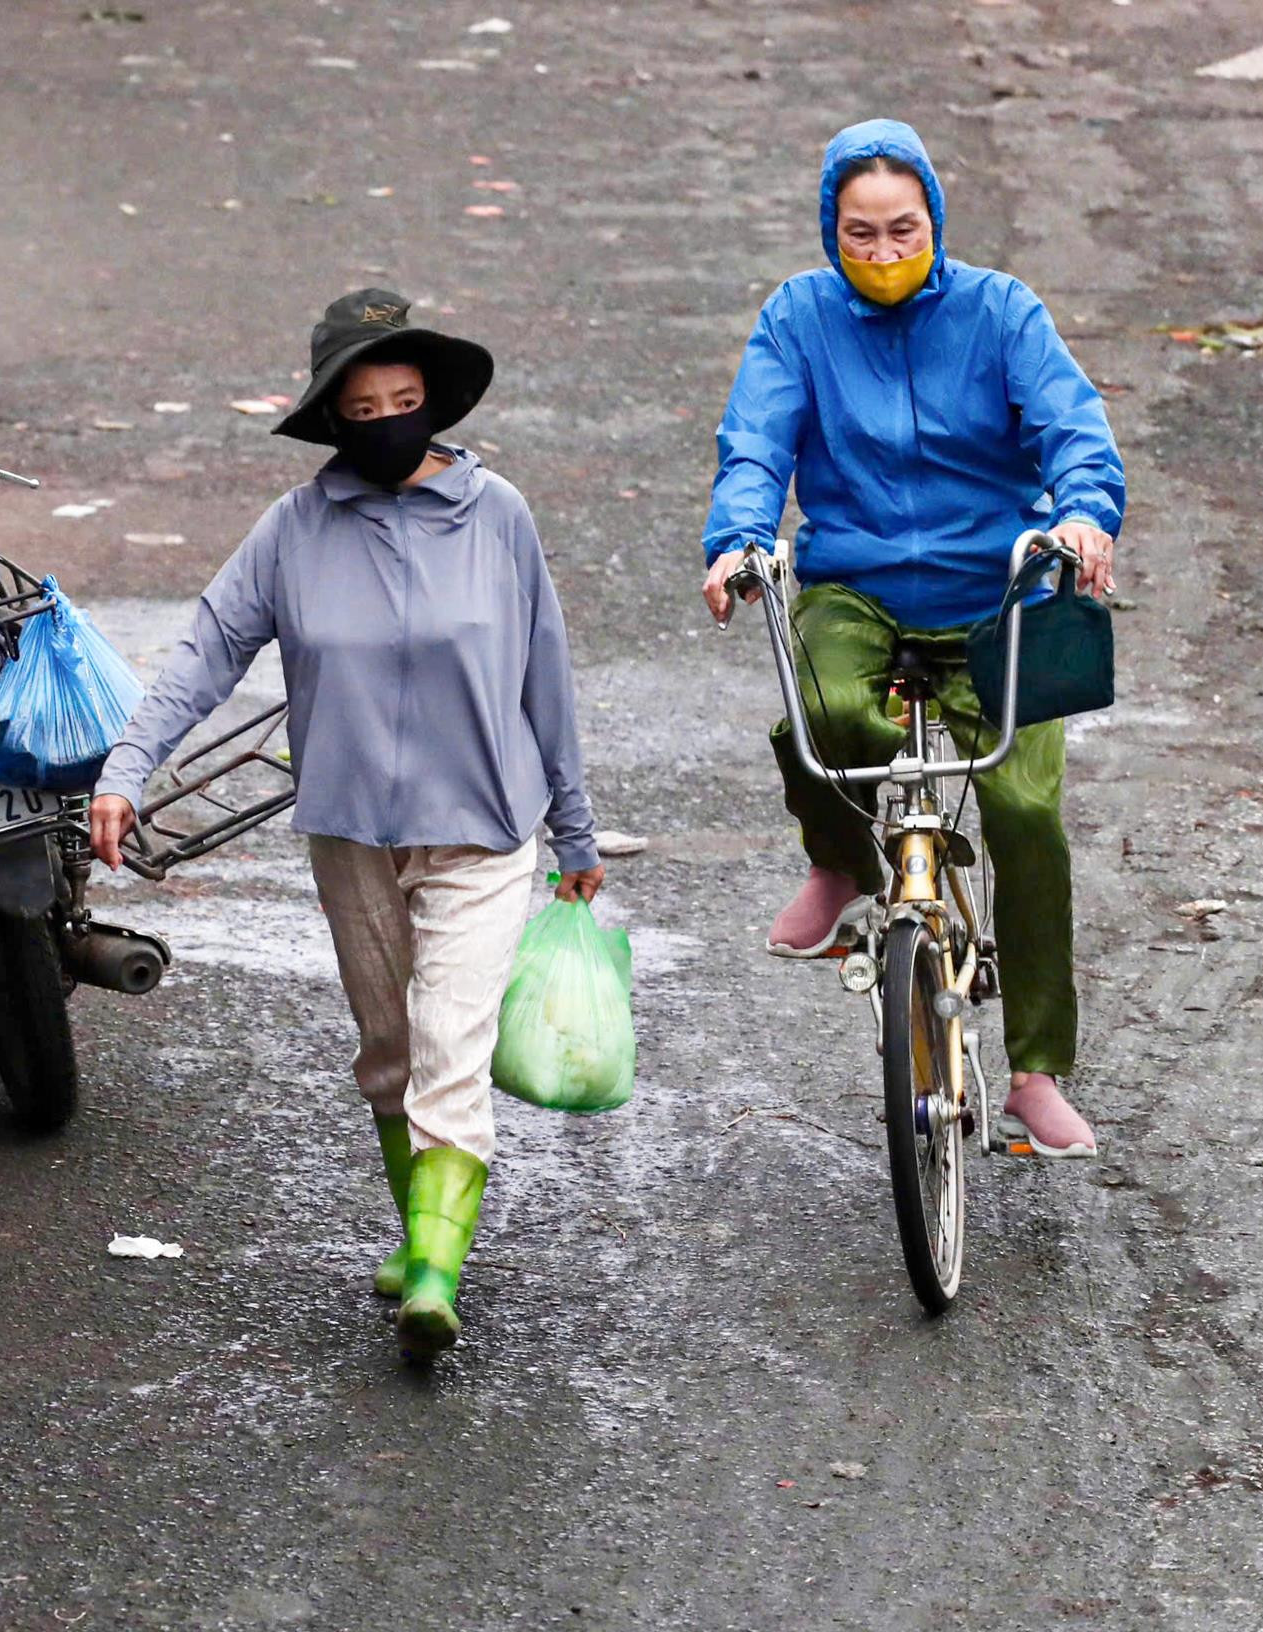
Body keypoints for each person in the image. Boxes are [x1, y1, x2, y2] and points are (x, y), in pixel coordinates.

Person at [90, 290, 604, 1362]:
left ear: (433, 404)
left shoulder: (496, 514)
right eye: (365, 406)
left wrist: (575, 832)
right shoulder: (292, 532)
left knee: (450, 1047)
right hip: (353, 833)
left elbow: (544, 672)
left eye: (406, 401)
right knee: (389, 1051)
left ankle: (432, 1273)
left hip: (484, 826)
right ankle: (420, 1227)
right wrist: (127, 770)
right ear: (334, 417)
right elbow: (204, 653)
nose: (387, 421)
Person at [699, 119, 1125, 1158]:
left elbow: (1072, 422)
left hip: (998, 590)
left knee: (1023, 809)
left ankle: (1032, 1071)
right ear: (828, 232)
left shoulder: (1000, 311)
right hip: (860, 587)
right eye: (860, 235)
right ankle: (842, 864)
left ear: (934, 219)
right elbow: (754, 441)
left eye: (903, 230)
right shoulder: (796, 319)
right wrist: (739, 542)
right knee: (827, 716)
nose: (883, 254)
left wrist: (1083, 512)